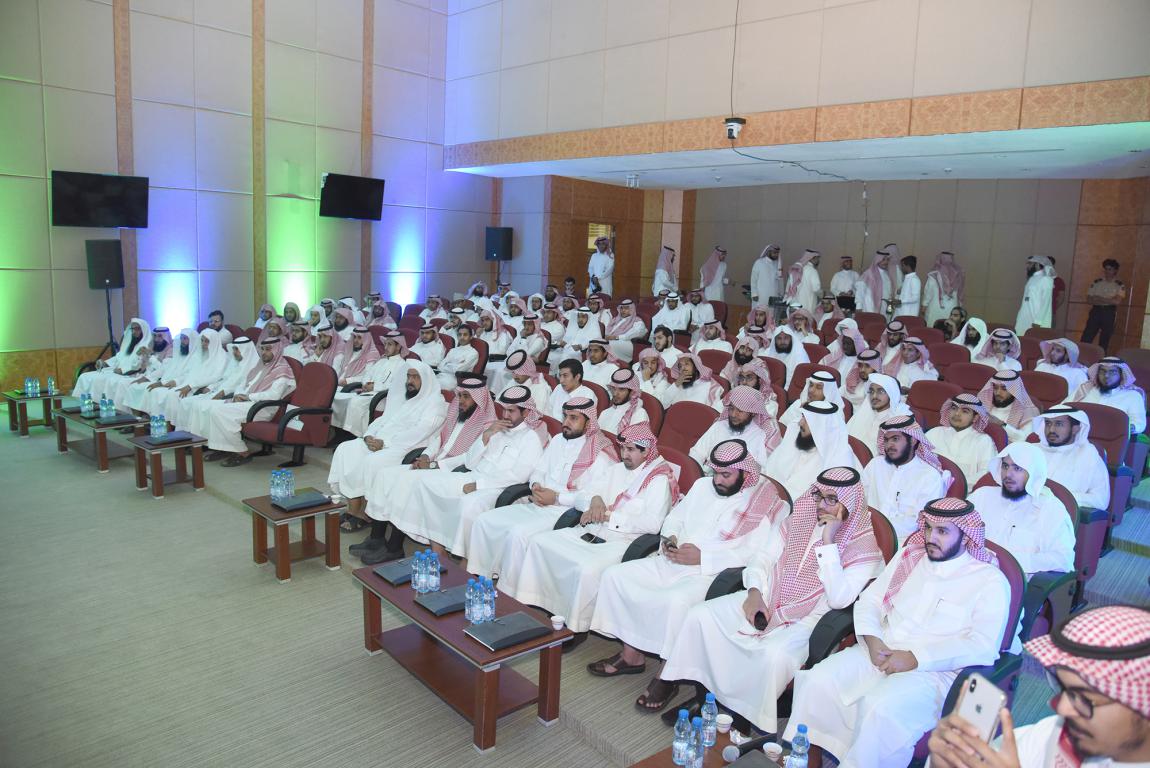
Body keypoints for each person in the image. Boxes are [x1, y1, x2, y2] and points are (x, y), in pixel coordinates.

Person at [783, 497, 1011, 768]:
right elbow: (870, 600)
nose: (930, 537)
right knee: (816, 681)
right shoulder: (910, 557)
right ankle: (808, 759)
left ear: (966, 537)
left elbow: (983, 645)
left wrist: (915, 658)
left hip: (933, 673)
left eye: (942, 531)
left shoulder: (989, 580)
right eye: (928, 528)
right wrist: (872, 639)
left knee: (879, 708)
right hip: (880, 650)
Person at [659, 467, 884, 734]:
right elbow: (762, 558)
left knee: (772, 656)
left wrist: (828, 543)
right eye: (819, 496)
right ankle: (705, 695)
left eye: (832, 499)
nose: (821, 505)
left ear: (850, 502)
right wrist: (754, 593)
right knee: (701, 616)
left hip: (808, 620)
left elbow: (838, 599)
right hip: (766, 595)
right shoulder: (798, 519)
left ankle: (740, 715)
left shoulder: (864, 548)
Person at [587, 440, 791, 711]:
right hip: (672, 559)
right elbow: (675, 517)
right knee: (616, 576)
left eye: (726, 475)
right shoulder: (702, 486)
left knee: (675, 602)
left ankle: (667, 675)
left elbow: (754, 554)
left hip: (709, 573)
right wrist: (670, 537)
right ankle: (631, 655)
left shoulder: (764, 504)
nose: (717, 480)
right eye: (715, 472)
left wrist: (703, 557)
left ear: (745, 473)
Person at [498, 423, 678, 633]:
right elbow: (583, 495)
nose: (624, 455)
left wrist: (609, 516)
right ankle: (534, 606)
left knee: (585, 569)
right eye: (622, 448)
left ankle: (574, 628)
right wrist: (595, 500)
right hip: (591, 530)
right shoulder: (616, 470)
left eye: (630, 450)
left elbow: (653, 524)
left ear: (646, 451)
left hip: (622, 542)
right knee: (540, 543)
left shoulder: (658, 480)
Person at [928, 605, 1150, 768]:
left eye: (1084, 698)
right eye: (1063, 688)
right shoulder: (1055, 732)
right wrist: (947, 761)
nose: (1061, 708)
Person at [362, 384, 550, 562]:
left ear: (526, 412)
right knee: (426, 485)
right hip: (472, 476)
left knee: (469, 504)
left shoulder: (530, 438)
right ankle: (437, 551)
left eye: (511, 411)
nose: (506, 415)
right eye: (505, 410)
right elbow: (470, 461)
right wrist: (486, 436)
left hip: (497, 489)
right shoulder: (497, 430)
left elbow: (518, 476)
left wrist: (479, 485)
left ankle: (462, 558)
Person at [466, 397, 617, 578]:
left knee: (517, 533)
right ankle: (477, 573)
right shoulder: (558, 440)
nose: (566, 422)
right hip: (537, 503)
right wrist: (536, 485)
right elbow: (538, 471)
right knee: (484, 520)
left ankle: (507, 585)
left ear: (588, 423)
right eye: (565, 416)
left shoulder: (599, 456)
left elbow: (591, 497)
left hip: (564, 512)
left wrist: (556, 498)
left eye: (574, 418)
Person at [357, 376, 497, 557]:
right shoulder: (456, 413)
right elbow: (439, 439)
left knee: (407, 482)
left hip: (451, 472)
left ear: (479, 399)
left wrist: (432, 465)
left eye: (466, 397)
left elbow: (468, 458)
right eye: (460, 395)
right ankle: (376, 538)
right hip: (433, 463)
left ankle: (394, 548)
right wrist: (425, 456)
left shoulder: (487, 427)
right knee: (386, 475)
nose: (461, 401)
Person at [327, 360, 445, 525]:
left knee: (372, 461)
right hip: (381, 442)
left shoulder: (435, 404)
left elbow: (419, 432)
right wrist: (369, 435)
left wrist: (385, 443)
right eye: (408, 376)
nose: (410, 381)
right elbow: (383, 419)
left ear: (426, 380)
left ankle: (368, 513)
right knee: (346, 449)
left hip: (406, 448)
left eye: (415, 377)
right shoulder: (405, 398)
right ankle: (353, 509)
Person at [968, 443, 1076, 580]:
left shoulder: (1050, 509)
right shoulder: (982, 495)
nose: (1008, 474)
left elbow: (1063, 559)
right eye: (1005, 466)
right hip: (966, 571)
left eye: (1017, 468)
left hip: (1006, 582)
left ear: (1033, 472)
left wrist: (1002, 561)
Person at [203, 337, 297, 467]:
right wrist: (238, 395)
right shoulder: (260, 366)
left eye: (268, 349)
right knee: (212, 409)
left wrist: (248, 397)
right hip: (247, 402)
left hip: (263, 407)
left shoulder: (282, 370)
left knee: (220, 412)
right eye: (262, 349)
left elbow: (274, 395)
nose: (264, 352)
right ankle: (223, 448)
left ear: (277, 350)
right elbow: (243, 384)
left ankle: (242, 452)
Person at [862, 415, 948, 538]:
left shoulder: (929, 476)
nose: (889, 445)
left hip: (902, 540)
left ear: (913, 440)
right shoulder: (876, 464)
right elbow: (859, 499)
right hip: (864, 531)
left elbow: (918, 522)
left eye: (895, 439)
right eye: (886, 440)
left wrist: (878, 529)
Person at [763, 401, 860, 501]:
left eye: (807, 420)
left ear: (821, 426)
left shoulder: (839, 460)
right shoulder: (795, 437)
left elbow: (831, 502)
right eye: (802, 417)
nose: (800, 423)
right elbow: (769, 472)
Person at [1032, 405, 1110, 511]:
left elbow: (1100, 500)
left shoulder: (1089, 456)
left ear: (1075, 429)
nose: (1051, 429)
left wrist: (1057, 496)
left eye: (1059, 424)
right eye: (1048, 423)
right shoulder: (1032, 450)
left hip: (1059, 514)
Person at [331, 330, 409, 436]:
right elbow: (367, 375)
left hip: (383, 398)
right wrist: (366, 384)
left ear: (398, 346)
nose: (385, 347)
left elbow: (396, 386)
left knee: (355, 402)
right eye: (385, 344)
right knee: (338, 398)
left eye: (389, 344)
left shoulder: (403, 365)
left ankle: (354, 435)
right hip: (367, 393)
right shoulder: (381, 361)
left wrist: (374, 387)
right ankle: (338, 432)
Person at [690, 386, 780, 472]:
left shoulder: (761, 435)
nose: (733, 414)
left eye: (740, 411)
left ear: (753, 413)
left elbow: (761, 470)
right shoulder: (720, 425)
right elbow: (697, 453)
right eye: (731, 408)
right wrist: (697, 474)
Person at [926, 394, 999, 491]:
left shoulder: (983, 441)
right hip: (927, 489)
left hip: (964, 494)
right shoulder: (934, 433)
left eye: (964, 411)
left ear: (975, 418)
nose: (957, 414)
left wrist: (953, 485)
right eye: (954, 408)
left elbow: (986, 473)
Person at [73, 317, 151, 397]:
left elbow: (139, 365)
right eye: (133, 329)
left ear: (143, 330)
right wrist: (105, 363)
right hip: (118, 372)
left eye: (137, 329)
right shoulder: (130, 344)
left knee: (110, 382)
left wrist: (123, 370)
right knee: (85, 376)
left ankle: (104, 402)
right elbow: (118, 357)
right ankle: (88, 400)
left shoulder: (145, 346)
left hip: (131, 375)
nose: (134, 332)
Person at [1073, 357, 1147, 434]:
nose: (1106, 375)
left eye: (1112, 372)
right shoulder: (1085, 389)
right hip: (1080, 434)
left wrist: (1127, 427)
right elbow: (1066, 407)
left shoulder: (1133, 395)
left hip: (1113, 437)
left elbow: (1138, 423)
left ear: (1121, 375)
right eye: (1102, 371)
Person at [847, 372, 909, 450]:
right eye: (871, 391)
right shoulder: (862, 413)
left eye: (881, 391)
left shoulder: (899, 421)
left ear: (892, 394)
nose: (874, 396)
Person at [980, 370, 1041, 443]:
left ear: (1014, 390)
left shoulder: (1028, 410)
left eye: (1004, 389)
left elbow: (1025, 439)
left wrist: (1000, 424)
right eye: (995, 388)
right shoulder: (986, 404)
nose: (998, 393)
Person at [1080, 259, 1126, 351]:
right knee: (1087, 336)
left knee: (1105, 339)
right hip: (1096, 311)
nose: (1107, 271)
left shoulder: (1119, 285)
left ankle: (1101, 358)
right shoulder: (1097, 282)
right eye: (1106, 269)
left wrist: (1099, 298)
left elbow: (1117, 302)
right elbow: (1089, 299)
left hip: (1109, 312)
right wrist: (1109, 300)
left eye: (1110, 269)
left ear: (1115, 270)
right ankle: (1081, 355)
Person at [598, 367, 649, 434]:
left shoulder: (640, 414)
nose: (615, 393)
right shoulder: (605, 413)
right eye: (613, 388)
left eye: (621, 389)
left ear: (632, 392)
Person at [922, 251, 964, 327]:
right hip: (952, 308)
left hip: (935, 307)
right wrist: (960, 306)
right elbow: (960, 293)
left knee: (933, 329)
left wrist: (924, 305)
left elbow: (928, 291)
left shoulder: (934, 274)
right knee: (948, 328)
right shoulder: (958, 274)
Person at [1016, 255, 1056, 334]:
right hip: (1024, 317)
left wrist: (1038, 321)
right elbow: (1025, 301)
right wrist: (1019, 317)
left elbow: (1046, 303)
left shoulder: (1046, 279)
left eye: (1030, 264)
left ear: (1037, 265)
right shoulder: (1032, 278)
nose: (1027, 266)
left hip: (1036, 321)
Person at [434, 324, 478, 390]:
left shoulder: (473, 353)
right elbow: (440, 366)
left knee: (432, 386)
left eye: (465, 335)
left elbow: (458, 370)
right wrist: (454, 365)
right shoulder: (453, 350)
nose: (462, 337)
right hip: (441, 375)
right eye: (459, 335)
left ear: (471, 337)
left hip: (455, 380)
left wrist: (447, 365)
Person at [854, 249, 894, 315]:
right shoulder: (868, 274)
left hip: (884, 307)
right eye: (883, 259)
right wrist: (859, 307)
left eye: (887, 260)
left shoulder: (887, 275)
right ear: (877, 260)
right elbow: (860, 292)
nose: (886, 262)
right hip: (870, 307)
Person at [784, 249, 823, 314]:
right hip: (806, 304)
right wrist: (822, 294)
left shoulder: (795, 269)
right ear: (812, 258)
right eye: (817, 258)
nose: (818, 261)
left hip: (794, 303)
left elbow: (789, 287)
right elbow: (816, 289)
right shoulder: (812, 270)